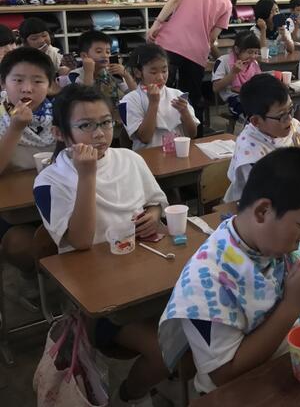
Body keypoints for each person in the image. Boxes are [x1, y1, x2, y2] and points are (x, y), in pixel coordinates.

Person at [158, 148, 300, 395]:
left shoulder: (281, 242)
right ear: (263, 211)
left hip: (291, 371)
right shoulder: (206, 279)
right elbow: (225, 373)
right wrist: (292, 305)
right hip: (238, 393)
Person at [34, 84, 169, 407]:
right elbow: (80, 242)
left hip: (148, 278)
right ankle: (130, 396)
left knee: (204, 329)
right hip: (99, 302)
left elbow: (155, 203)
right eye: (86, 125)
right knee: (166, 350)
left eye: (106, 122)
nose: (99, 134)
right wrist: (87, 174)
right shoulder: (49, 181)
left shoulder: (129, 159)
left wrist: (153, 215)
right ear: (60, 133)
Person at [223, 75, 300, 267]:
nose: (289, 119)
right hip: (258, 220)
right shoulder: (248, 149)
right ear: (256, 121)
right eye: (282, 115)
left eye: (291, 110)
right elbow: (274, 197)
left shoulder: (293, 127)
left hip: (292, 210)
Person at [147, 0, 237, 134]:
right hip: (197, 53)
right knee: (192, 97)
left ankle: (158, 133)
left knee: (161, 90)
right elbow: (212, 38)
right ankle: (196, 137)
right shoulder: (227, 3)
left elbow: (175, 0)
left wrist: (156, 23)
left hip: (170, 43)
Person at [0, 47, 57, 302]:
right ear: (3, 83)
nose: (27, 89)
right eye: (18, 80)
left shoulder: (59, 114)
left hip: (56, 201)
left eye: (37, 81)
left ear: (50, 85)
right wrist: (15, 128)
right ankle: (30, 276)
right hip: (14, 211)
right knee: (20, 246)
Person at [119, 45, 199, 150]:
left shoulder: (177, 94)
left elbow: (192, 134)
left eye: (164, 71)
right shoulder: (130, 100)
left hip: (177, 154)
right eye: (153, 72)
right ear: (138, 72)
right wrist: (153, 103)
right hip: (148, 157)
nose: (160, 78)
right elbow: (145, 138)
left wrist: (185, 113)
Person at [68, 30, 136, 132]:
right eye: (99, 52)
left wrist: (126, 75)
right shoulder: (75, 75)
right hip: (93, 127)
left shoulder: (112, 72)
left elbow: (134, 94)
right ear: (84, 56)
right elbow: (85, 100)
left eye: (108, 52)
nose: (105, 55)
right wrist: (89, 72)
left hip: (118, 123)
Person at [211, 31, 261, 118]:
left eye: (256, 53)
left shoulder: (254, 63)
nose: (253, 56)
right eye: (249, 52)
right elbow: (215, 88)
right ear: (237, 49)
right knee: (252, 112)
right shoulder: (223, 61)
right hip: (232, 99)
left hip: (252, 96)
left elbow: (259, 82)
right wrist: (233, 73)